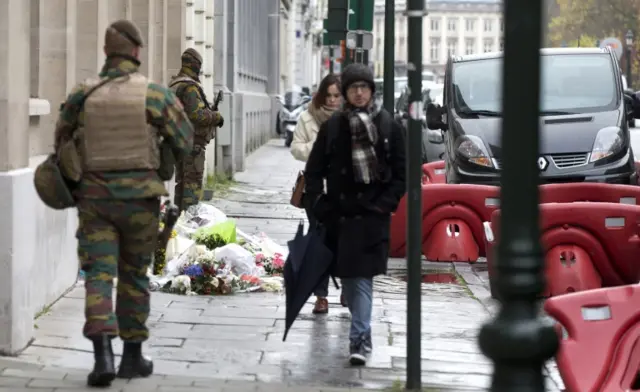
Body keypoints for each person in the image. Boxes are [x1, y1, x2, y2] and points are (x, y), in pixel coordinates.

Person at [53, 20, 194, 387]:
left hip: (95, 201)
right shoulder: (154, 94)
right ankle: (132, 358)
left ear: (106, 51)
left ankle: (102, 356)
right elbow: (184, 139)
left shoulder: (83, 93)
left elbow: (62, 139)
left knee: (98, 275)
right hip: (140, 203)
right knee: (134, 275)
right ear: (136, 51)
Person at [303, 63, 407, 366]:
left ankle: (359, 339)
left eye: (364, 87)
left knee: (362, 278)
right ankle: (361, 334)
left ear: (371, 90)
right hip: (341, 216)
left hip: (373, 216)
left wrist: (385, 203)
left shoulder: (388, 125)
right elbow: (314, 170)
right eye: (353, 88)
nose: (359, 92)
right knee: (349, 277)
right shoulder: (334, 126)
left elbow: (402, 173)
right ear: (346, 93)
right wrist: (320, 204)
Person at [290, 73, 342, 314]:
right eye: (328, 95)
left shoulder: (348, 118)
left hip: (343, 190)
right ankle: (321, 296)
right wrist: (319, 146)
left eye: (336, 95)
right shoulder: (307, 117)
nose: (332, 100)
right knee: (319, 241)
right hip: (316, 190)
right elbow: (296, 149)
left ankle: (348, 291)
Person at [169, 48, 224, 212]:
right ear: (196, 65)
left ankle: (179, 220)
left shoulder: (175, 83)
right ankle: (189, 221)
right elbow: (197, 115)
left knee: (182, 185)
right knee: (192, 187)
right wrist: (216, 117)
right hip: (192, 145)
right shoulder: (189, 87)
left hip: (180, 142)